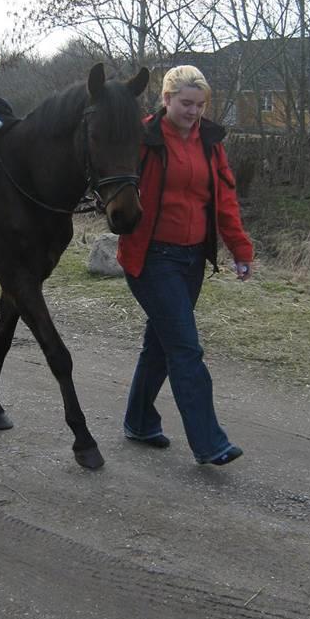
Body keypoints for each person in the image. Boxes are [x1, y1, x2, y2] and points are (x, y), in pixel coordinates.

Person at [117, 64, 254, 466]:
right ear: (166, 99)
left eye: (200, 104)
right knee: (185, 348)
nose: (194, 112)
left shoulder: (210, 142)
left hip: (192, 259)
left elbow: (225, 200)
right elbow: (113, 179)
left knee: (160, 345)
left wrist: (240, 249)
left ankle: (140, 422)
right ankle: (209, 442)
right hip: (151, 257)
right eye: (186, 103)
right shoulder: (143, 138)